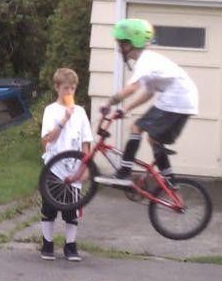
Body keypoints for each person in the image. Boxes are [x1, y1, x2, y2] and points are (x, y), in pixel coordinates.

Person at [95, 18, 199, 188]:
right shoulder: (149, 61)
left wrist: (110, 103)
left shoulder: (145, 61)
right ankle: (170, 181)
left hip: (176, 98)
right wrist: (126, 109)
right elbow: (148, 93)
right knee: (153, 139)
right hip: (185, 99)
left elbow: (132, 88)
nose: (118, 48)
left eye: (120, 43)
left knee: (136, 128)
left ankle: (124, 173)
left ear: (130, 44)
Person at [39, 68, 93, 261]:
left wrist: (85, 166)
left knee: (71, 210)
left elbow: (86, 142)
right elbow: (47, 140)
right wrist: (64, 119)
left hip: (73, 168)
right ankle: (47, 243)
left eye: (72, 88)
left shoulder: (81, 112)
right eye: (66, 88)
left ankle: (70, 245)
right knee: (49, 208)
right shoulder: (50, 110)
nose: (69, 92)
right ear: (57, 88)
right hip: (54, 167)